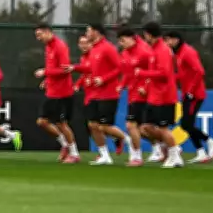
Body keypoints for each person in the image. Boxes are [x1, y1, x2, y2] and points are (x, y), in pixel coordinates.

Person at [73, 23, 129, 165]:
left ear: (96, 32)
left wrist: (104, 79)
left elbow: (119, 68)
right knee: (92, 125)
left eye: (88, 31)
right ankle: (104, 155)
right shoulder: (93, 49)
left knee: (103, 126)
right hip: (94, 94)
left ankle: (126, 139)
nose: (87, 33)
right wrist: (76, 71)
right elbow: (90, 68)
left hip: (108, 94)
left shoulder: (108, 48)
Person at [164, 30, 213, 163]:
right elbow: (183, 74)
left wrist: (190, 91)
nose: (167, 43)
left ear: (176, 40)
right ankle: (201, 152)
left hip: (195, 94)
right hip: (187, 94)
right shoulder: (178, 53)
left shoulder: (188, 52)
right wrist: (170, 79)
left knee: (186, 124)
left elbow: (200, 71)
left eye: (169, 39)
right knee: (187, 124)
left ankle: (210, 141)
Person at [138, 22, 184, 168]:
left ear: (149, 34)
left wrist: (142, 73)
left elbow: (164, 74)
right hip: (154, 96)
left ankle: (175, 156)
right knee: (145, 128)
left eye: (145, 34)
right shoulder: (154, 49)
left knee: (163, 128)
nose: (144, 37)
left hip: (164, 96)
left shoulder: (163, 50)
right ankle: (172, 147)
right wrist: (146, 87)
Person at [33, 23, 80, 163]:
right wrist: (47, 79)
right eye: (37, 36)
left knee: (61, 124)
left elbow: (65, 69)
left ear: (48, 32)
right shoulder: (48, 46)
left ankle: (74, 154)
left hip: (62, 92)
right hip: (51, 92)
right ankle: (64, 144)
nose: (38, 38)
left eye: (40, 35)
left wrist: (45, 72)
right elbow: (53, 67)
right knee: (42, 122)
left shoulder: (60, 46)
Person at [116, 28, 153, 166]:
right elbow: (127, 73)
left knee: (132, 125)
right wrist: (121, 86)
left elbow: (154, 71)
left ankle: (137, 157)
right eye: (119, 41)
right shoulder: (125, 53)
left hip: (143, 95)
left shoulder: (144, 51)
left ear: (132, 38)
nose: (121, 44)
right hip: (132, 94)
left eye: (123, 40)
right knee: (142, 128)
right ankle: (166, 145)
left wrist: (146, 87)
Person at [72, 35, 96, 151]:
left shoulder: (95, 56)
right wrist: (77, 84)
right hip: (88, 95)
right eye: (81, 43)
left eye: (86, 43)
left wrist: (74, 67)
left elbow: (91, 69)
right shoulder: (83, 58)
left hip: (98, 95)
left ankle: (120, 138)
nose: (84, 46)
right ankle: (102, 151)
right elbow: (84, 73)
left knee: (98, 125)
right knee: (90, 125)